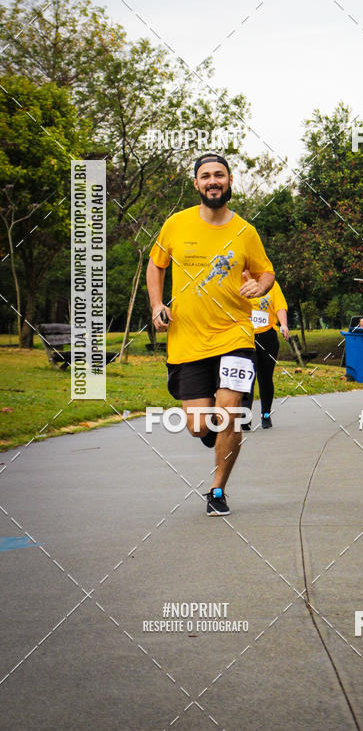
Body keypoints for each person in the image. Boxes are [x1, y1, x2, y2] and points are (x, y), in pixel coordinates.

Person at [146, 153, 275, 516]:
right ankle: (215, 434)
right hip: (187, 339)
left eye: (219, 175)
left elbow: (266, 273)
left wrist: (260, 287)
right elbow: (156, 267)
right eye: (206, 176)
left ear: (230, 181)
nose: (213, 181)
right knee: (199, 424)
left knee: (230, 413)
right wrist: (157, 305)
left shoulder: (246, 232)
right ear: (196, 184)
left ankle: (217, 489)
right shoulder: (176, 224)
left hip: (234, 335)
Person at [242, 280, 289, 429]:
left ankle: (266, 415)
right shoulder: (237, 281)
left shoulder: (271, 284)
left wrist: (284, 324)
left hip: (268, 336)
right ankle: (244, 417)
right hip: (245, 337)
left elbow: (280, 306)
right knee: (246, 378)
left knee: (265, 379)